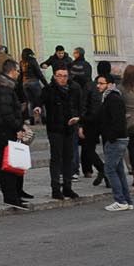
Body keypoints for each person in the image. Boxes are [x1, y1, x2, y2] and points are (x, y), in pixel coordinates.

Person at [0, 60, 30, 210]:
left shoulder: (4, 87)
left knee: (11, 164)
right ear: (12, 71)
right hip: (6, 131)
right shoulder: (5, 89)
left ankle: (15, 194)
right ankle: (11, 197)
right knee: (9, 165)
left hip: (4, 130)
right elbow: (6, 113)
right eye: (17, 71)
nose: (19, 74)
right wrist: (18, 126)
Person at [40, 64, 83, 199]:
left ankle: (67, 187)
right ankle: (55, 188)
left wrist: (78, 119)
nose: (62, 79)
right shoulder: (48, 89)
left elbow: (80, 106)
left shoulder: (75, 88)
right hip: (55, 128)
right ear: (54, 76)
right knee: (56, 158)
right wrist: (37, 109)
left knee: (68, 158)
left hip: (70, 128)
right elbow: (39, 101)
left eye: (65, 76)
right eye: (59, 76)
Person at [92, 70, 132, 211]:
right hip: (117, 138)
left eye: (101, 83)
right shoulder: (108, 98)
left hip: (116, 139)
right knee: (119, 170)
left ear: (110, 85)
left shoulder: (113, 98)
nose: (98, 86)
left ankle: (120, 200)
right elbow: (99, 117)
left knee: (109, 169)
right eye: (98, 83)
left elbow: (117, 121)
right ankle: (127, 200)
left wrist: (111, 137)